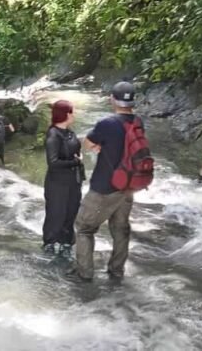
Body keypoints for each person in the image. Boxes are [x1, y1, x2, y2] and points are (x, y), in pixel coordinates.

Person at [75, 81, 147, 281]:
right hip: (129, 186)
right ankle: (116, 271)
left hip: (104, 187)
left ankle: (85, 274)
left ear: (112, 100)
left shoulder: (107, 123)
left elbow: (88, 143)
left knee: (84, 228)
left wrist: (99, 147)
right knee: (121, 228)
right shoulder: (138, 121)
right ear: (133, 101)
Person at [43, 100, 84, 256]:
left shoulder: (69, 132)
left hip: (73, 180)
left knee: (71, 212)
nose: (74, 115)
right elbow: (52, 162)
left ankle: (66, 243)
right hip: (57, 182)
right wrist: (75, 161)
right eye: (72, 112)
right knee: (56, 213)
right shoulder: (53, 134)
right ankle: (50, 243)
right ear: (66, 114)